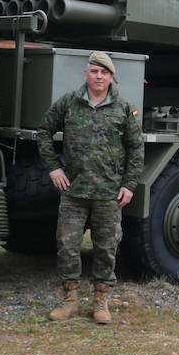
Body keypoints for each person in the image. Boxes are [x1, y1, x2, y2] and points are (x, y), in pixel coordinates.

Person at [37, 50, 144, 325]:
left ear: (111, 78)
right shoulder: (69, 103)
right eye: (94, 71)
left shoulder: (124, 108)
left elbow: (136, 149)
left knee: (106, 248)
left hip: (108, 194)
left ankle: (101, 301)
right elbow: (44, 132)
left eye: (104, 73)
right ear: (86, 74)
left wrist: (129, 185)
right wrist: (53, 167)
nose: (98, 76)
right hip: (74, 192)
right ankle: (69, 300)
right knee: (67, 246)